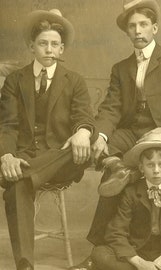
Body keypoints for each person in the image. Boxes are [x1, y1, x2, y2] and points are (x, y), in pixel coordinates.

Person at [70, 1, 161, 269]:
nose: (138, 30)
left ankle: (98, 250)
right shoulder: (120, 68)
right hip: (131, 133)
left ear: (155, 27)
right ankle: (117, 166)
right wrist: (100, 135)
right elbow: (111, 108)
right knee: (107, 148)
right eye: (132, 26)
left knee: (119, 172)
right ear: (127, 32)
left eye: (143, 24)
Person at [0, 9, 96, 270]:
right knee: (17, 185)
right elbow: (7, 125)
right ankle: (25, 263)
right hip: (24, 156)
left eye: (55, 44)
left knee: (77, 146)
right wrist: (6, 155)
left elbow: (84, 116)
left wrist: (83, 131)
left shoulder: (73, 80)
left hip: (61, 160)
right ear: (32, 46)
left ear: (62, 48)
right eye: (43, 43)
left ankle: (22, 173)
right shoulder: (14, 81)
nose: (49, 49)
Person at [90, 134, 161, 270]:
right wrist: (140, 263)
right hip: (136, 251)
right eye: (150, 165)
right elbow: (116, 232)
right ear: (141, 168)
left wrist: (160, 261)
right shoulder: (130, 192)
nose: (156, 170)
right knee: (99, 254)